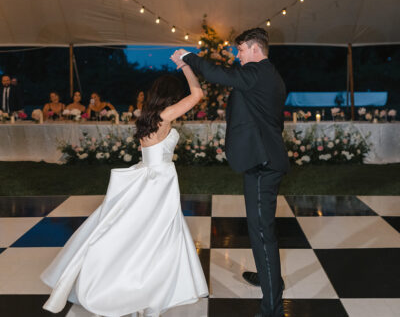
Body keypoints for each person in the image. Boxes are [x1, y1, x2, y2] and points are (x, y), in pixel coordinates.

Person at [40, 65, 208, 316]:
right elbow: (197, 95)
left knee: (142, 230)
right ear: (170, 97)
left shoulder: (147, 116)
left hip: (149, 175)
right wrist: (186, 66)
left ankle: (160, 280)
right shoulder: (165, 116)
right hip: (159, 179)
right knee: (157, 231)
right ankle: (157, 285)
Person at [172, 27, 289, 317]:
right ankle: (268, 278)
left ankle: (272, 307)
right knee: (260, 229)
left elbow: (217, 75)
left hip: (264, 165)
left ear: (255, 49)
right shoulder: (265, 76)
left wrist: (188, 56)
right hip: (261, 159)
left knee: (262, 233)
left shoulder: (259, 73)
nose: (237, 55)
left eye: (240, 50)